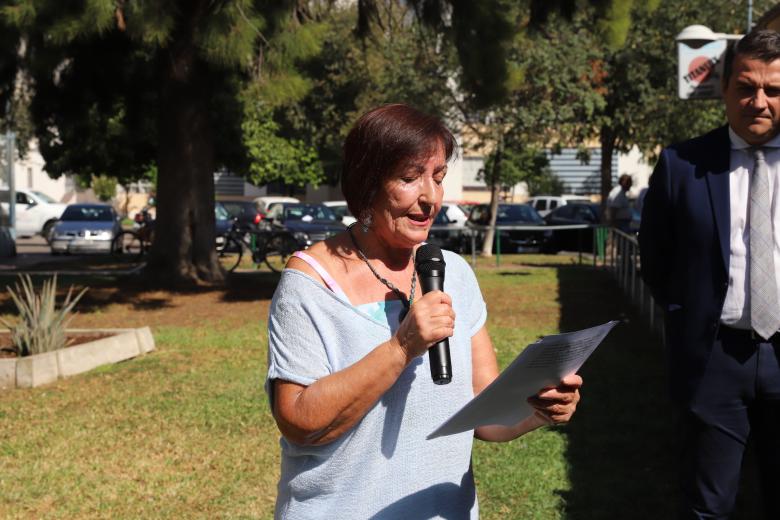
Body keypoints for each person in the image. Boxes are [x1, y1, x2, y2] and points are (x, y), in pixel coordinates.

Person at [266, 104, 583, 519]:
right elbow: (299, 421)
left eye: (437, 178)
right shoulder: (309, 284)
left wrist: (538, 409)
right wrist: (401, 347)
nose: (430, 198)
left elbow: (483, 413)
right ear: (367, 183)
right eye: (410, 178)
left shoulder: (454, 272)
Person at [639, 30, 780, 519]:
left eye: (774, 89)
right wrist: (688, 319)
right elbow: (655, 259)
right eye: (745, 86)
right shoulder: (682, 165)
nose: (758, 101)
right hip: (713, 362)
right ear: (723, 88)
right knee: (707, 507)